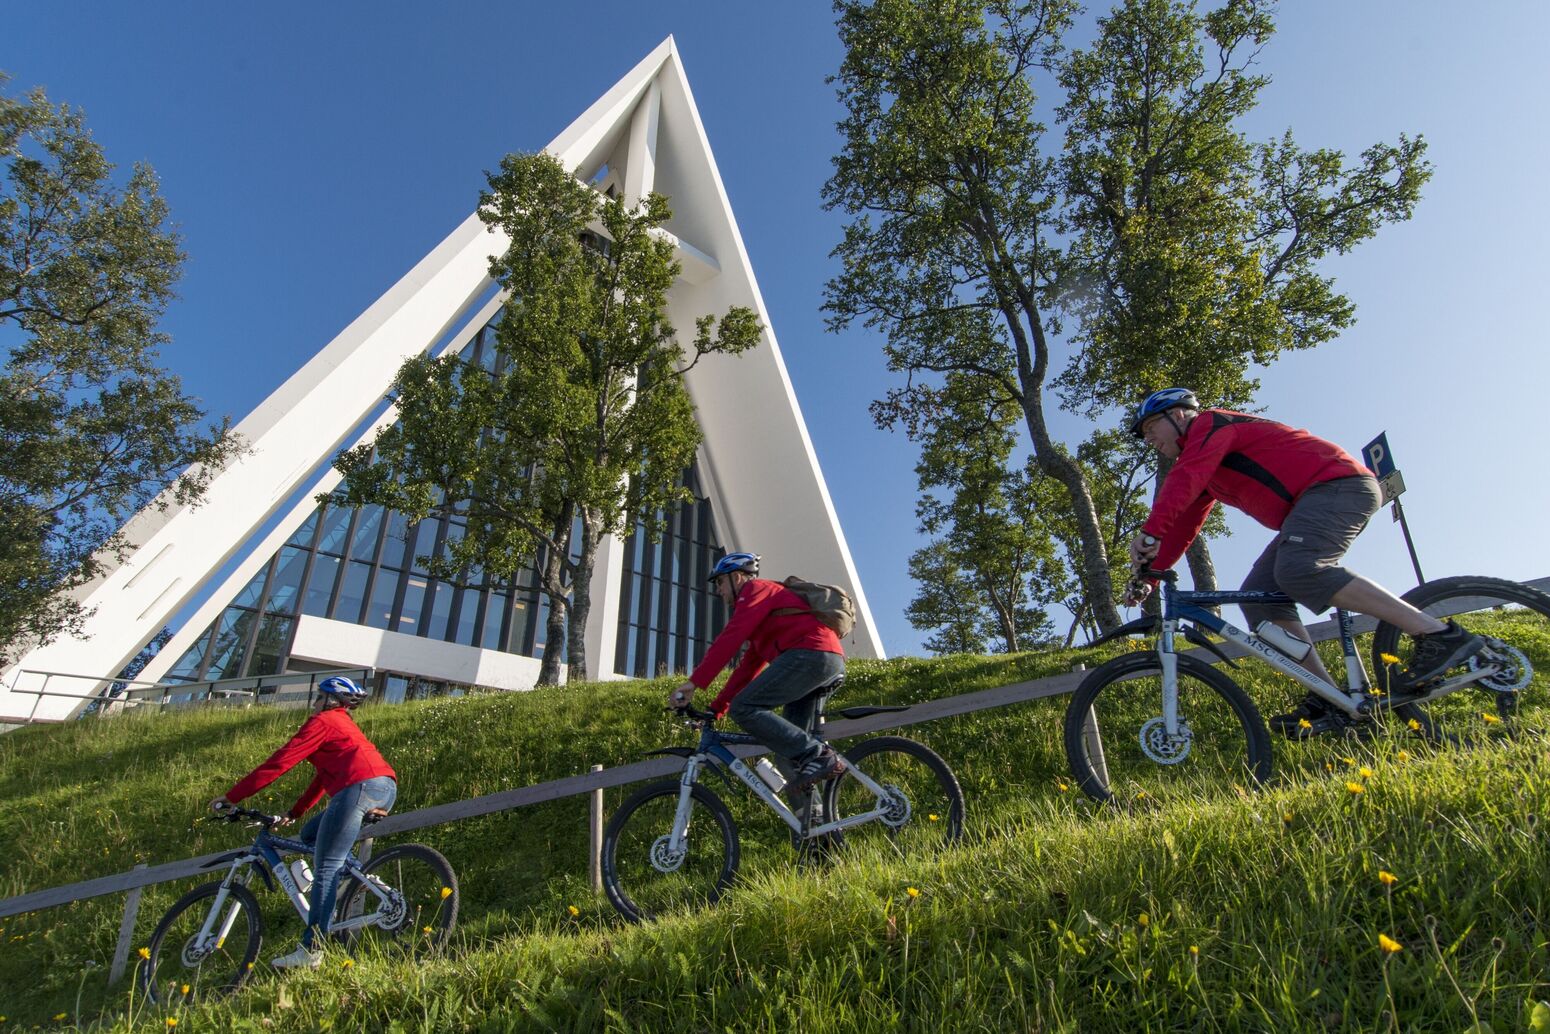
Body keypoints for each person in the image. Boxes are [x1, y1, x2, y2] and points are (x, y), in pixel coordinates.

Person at [1123, 388, 1484, 737]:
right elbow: (1185, 524)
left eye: (1151, 429)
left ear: (1179, 414)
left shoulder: (1210, 425)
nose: (1150, 440)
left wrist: (1150, 532)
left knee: (1299, 569)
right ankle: (1332, 699)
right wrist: (1150, 576)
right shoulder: (1206, 467)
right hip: (1307, 507)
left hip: (1339, 486)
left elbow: (1185, 479)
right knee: (1260, 598)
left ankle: (1440, 635)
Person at [209, 675, 397, 970]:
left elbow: (281, 761)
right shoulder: (342, 724)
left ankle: (312, 950)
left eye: (318, 696)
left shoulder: (323, 721)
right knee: (310, 835)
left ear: (330, 700)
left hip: (358, 788)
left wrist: (233, 796)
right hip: (383, 788)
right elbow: (323, 776)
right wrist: (296, 812)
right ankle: (360, 877)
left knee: (326, 868)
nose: (313, 702)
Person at [666, 552, 849, 792]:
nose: (718, 590)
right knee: (788, 752)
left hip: (811, 655)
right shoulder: (764, 619)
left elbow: (731, 636)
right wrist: (716, 709)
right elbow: (748, 668)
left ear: (737, 577)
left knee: (744, 708)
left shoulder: (756, 589)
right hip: (821, 660)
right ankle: (814, 822)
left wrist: (694, 683)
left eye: (719, 582)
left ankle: (819, 755)